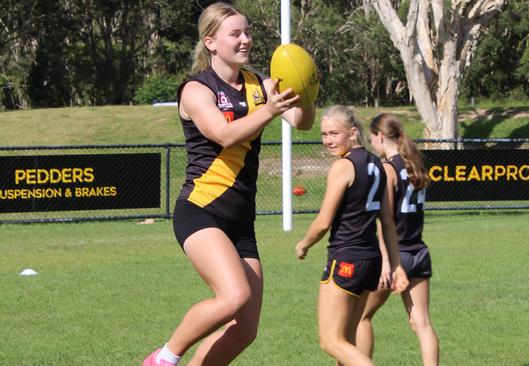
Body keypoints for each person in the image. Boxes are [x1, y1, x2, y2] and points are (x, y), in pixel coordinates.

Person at [142, 3, 315, 366]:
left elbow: (301, 121)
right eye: (235, 34)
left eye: (248, 32)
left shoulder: (260, 85)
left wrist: (308, 90)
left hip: (240, 222)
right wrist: (267, 110)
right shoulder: (195, 89)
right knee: (233, 296)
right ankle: (163, 358)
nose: (246, 40)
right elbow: (223, 135)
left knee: (246, 327)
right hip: (201, 211)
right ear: (211, 42)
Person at [295, 105, 409, 366]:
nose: (327, 140)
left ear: (353, 132)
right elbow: (388, 222)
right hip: (370, 262)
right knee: (346, 341)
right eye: (324, 134)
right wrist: (395, 265)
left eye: (334, 133)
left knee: (330, 340)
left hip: (346, 259)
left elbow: (324, 221)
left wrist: (303, 244)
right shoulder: (379, 166)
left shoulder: (343, 166)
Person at [356, 113, 439, 366]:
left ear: (380, 136)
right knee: (421, 323)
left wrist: (385, 262)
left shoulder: (389, 169)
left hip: (396, 256)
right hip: (419, 252)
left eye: (372, 139)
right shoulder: (415, 164)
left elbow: (386, 221)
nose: (372, 145)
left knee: (362, 317)